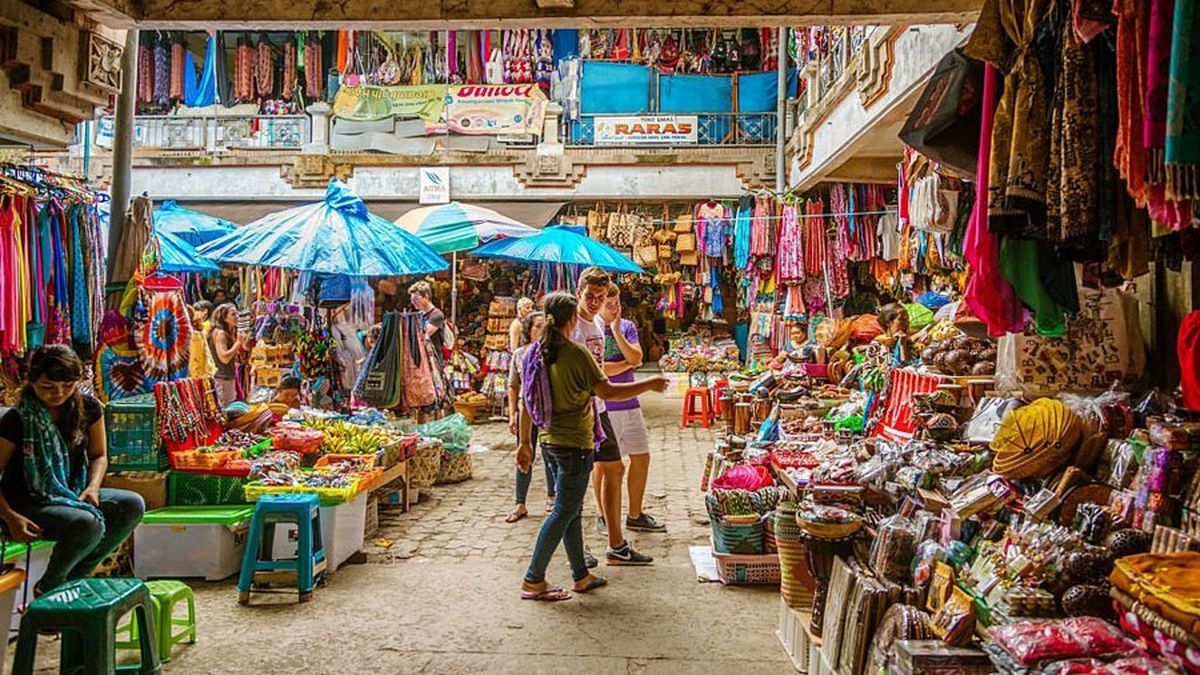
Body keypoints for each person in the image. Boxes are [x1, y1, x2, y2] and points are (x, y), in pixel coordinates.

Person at [518, 293, 669, 602]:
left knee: (571, 509)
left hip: (548, 441)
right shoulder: (576, 353)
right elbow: (607, 392)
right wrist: (649, 383)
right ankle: (534, 578)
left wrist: (523, 443)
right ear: (572, 320)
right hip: (575, 441)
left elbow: (525, 400)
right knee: (563, 510)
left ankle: (580, 574)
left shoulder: (533, 352)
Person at [0, 345, 145, 596]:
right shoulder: (16, 419)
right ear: (32, 381)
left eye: (67, 385)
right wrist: (11, 517)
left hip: (71, 492)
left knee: (132, 505)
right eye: (48, 386)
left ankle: (73, 578)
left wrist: (93, 487)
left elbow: (99, 456)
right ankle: (51, 587)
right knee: (86, 523)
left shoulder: (88, 408)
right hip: (27, 502)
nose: (58, 393)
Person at [573, 267, 652, 566]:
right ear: (579, 293)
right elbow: (599, 376)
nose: (596, 302)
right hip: (580, 413)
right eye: (591, 296)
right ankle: (574, 551)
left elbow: (623, 364)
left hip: (599, 409)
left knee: (615, 469)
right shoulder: (572, 326)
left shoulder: (596, 329)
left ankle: (616, 545)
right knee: (576, 483)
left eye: (602, 297)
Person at [599, 284, 665, 533]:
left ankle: (635, 514)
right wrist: (624, 364)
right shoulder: (592, 329)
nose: (614, 309)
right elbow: (599, 370)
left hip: (630, 402)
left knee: (641, 457)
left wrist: (617, 332)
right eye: (609, 304)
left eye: (617, 304)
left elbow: (637, 359)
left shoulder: (626, 326)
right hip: (606, 404)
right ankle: (602, 514)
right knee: (605, 465)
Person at [506, 311, 555, 523]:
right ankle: (520, 503)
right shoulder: (519, 354)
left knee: (549, 454)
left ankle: (552, 497)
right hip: (525, 411)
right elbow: (513, 385)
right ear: (528, 330)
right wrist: (512, 414)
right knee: (524, 454)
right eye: (537, 326)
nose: (541, 330)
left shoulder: (552, 352)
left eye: (544, 326)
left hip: (548, 411)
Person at [209, 303, 246, 406]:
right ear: (224, 318)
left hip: (226, 377)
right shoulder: (221, 334)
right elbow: (224, 358)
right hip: (221, 379)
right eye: (233, 314)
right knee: (226, 409)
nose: (237, 317)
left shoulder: (227, 332)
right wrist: (238, 343)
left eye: (237, 314)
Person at [409, 280, 447, 357]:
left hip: (433, 360)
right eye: (412, 300)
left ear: (426, 296)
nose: (413, 302)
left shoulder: (437, 315)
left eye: (416, 299)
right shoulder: (419, 315)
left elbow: (423, 336)